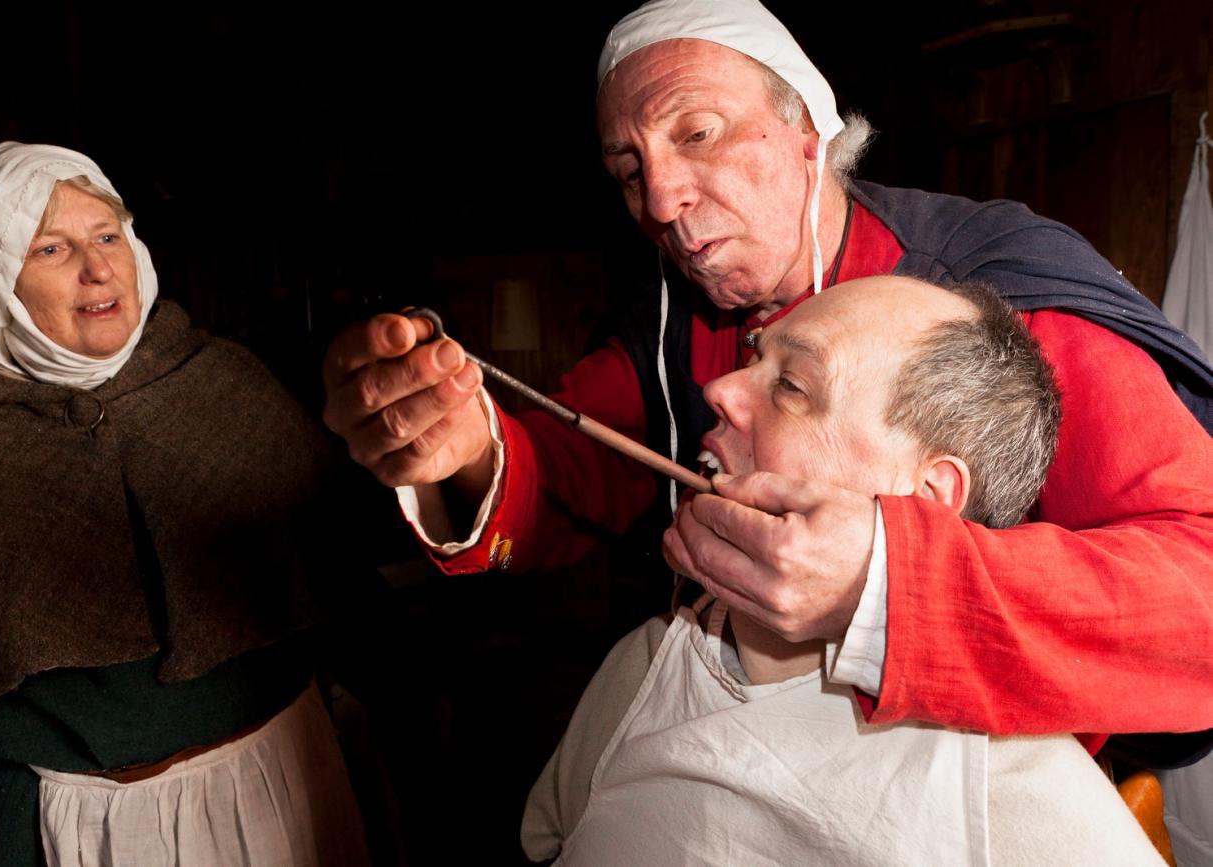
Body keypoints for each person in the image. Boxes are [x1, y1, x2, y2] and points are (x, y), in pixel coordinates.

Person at [322, 0, 1213, 748]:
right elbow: (566, 464)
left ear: (806, 132)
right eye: (628, 171)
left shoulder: (1001, 297)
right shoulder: (670, 319)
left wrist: (886, 584)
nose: (660, 201)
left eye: (698, 133)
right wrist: (459, 443)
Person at [521, 275, 1163, 866]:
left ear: (925, 499)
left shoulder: (1008, 782)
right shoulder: (645, 665)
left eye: (792, 386)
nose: (720, 389)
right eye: (753, 358)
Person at [0, 143, 369, 865]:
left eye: (107, 235)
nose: (98, 268)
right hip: (75, 834)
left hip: (283, 786)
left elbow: (347, 586)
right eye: (51, 248)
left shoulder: (224, 382)